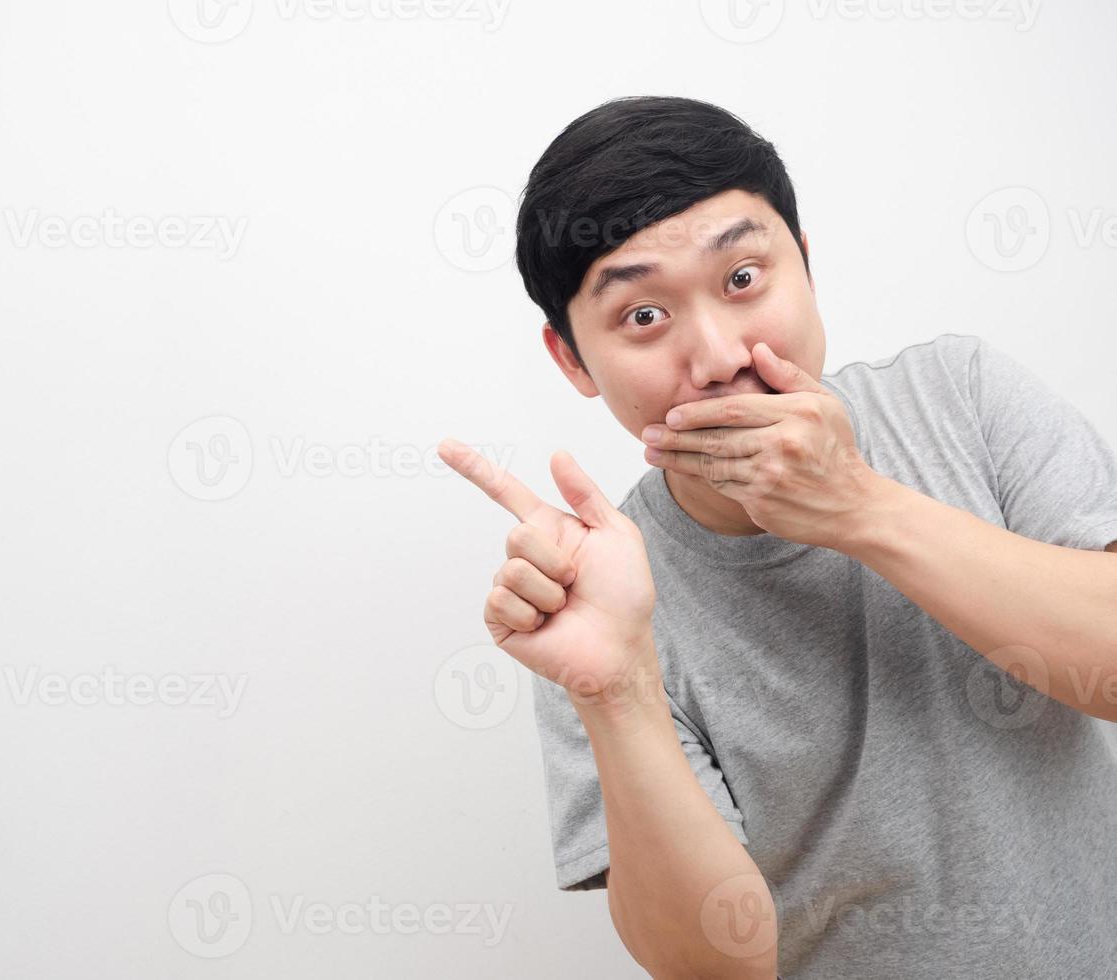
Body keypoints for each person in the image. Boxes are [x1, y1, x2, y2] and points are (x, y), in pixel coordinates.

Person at [437, 95, 1117, 980]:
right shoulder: (593, 591)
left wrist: (859, 507)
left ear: (806, 265)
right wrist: (616, 689)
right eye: (643, 316)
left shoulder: (965, 396)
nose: (717, 354)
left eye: (743, 279)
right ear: (571, 360)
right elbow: (715, 965)